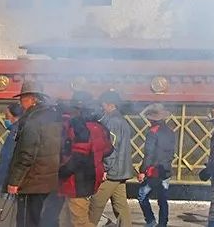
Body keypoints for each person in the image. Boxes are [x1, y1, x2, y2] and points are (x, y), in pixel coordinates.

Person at [6, 81, 63, 227]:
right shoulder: (54, 117)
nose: (20, 103)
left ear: (33, 99)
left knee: (27, 222)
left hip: (32, 181)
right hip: (49, 179)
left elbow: (26, 154)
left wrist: (14, 181)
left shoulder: (33, 120)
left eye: (22, 99)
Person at [59, 92, 113, 227]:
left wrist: (61, 172)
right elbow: (108, 150)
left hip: (76, 181)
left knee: (80, 222)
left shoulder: (79, 127)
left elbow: (78, 157)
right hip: (92, 177)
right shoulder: (100, 127)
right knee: (66, 219)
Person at [90, 90, 134, 227]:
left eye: (103, 104)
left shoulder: (112, 122)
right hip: (120, 171)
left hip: (111, 172)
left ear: (110, 105)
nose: (101, 107)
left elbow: (110, 148)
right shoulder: (122, 121)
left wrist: (104, 168)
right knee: (121, 207)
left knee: (95, 205)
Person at [137, 104, 176, 227]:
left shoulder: (152, 132)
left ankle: (150, 221)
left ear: (151, 119)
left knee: (142, 195)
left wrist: (142, 171)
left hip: (154, 170)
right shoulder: (171, 132)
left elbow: (149, 154)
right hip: (166, 169)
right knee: (162, 199)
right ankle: (163, 223)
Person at [0, 104, 24, 191]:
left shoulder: (16, 131)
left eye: (7, 116)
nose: (6, 119)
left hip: (9, 176)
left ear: (15, 116)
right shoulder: (15, 130)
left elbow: (9, 155)